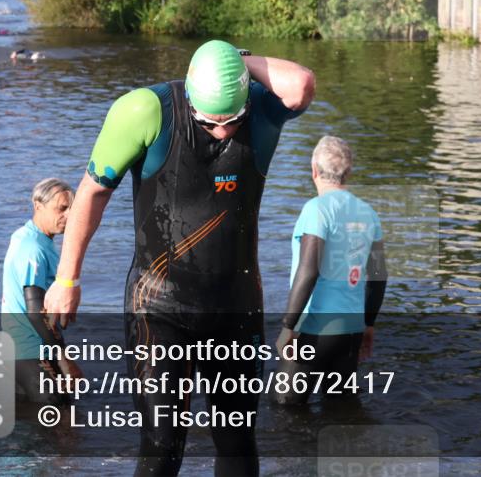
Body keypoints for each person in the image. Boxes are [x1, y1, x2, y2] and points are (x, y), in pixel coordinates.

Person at [44, 40, 315, 476]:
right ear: (190, 97)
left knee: (237, 440)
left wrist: (235, 62)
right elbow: (92, 194)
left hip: (235, 306)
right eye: (210, 121)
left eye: (233, 120)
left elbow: (301, 83)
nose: (224, 131)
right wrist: (67, 279)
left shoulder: (261, 108)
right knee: (162, 443)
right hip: (158, 307)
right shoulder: (144, 112)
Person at [273, 136, 387, 405]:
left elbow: (308, 271)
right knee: (340, 409)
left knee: (284, 408)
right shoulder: (368, 212)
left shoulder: (316, 210)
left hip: (314, 328)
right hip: (350, 329)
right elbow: (379, 276)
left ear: (313, 170)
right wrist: (368, 324)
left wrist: (289, 326)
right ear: (349, 172)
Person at [1, 178, 82, 405]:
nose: (68, 216)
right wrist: (64, 358)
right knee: (63, 425)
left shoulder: (27, 237)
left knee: (32, 426)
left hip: (18, 351)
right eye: (61, 209)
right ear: (38, 205)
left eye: (71, 210)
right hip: (32, 351)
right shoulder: (33, 249)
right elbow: (36, 310)